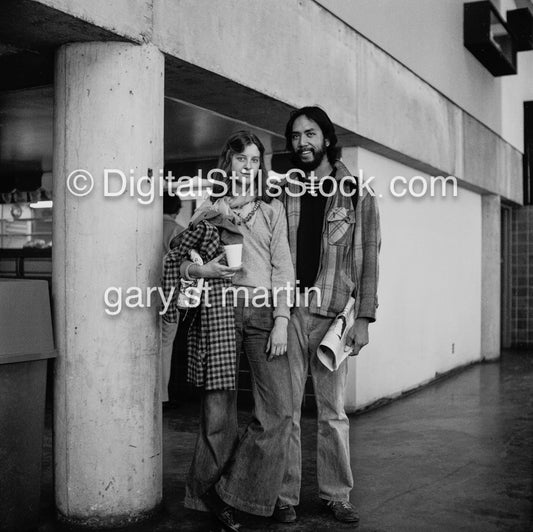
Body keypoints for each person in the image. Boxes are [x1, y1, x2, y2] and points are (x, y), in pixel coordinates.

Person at [164, 131, 295, 531]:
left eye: (255, 161)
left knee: (278, 411)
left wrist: (282, 320)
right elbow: (177, 258)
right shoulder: (208, 207)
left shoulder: (272, 209)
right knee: (218, 411)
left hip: (261, 313)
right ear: (229, 161)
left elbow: (282, 269)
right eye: (242, 159)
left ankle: (231, 492)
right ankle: (204, 495)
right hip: (218, 309)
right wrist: (201, 269)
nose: (249, 167)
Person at [273, 106, 381, 524]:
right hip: (287, 314)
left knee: (333, 413)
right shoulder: (285, 190)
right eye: (296, 135)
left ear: (326, 138)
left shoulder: (356, 191)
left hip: (333, 317)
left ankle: (336, 494)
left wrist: (364, 319)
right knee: (285, 411)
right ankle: (284, 497)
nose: (302, 142)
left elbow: (369, 256)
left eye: (310, 133)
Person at [161, 193, 185, 403]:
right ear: (178, 210)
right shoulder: (177, 231)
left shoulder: (144, 226)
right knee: (165, 346)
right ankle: (161, 396)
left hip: (141, 296)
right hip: (170, 297)